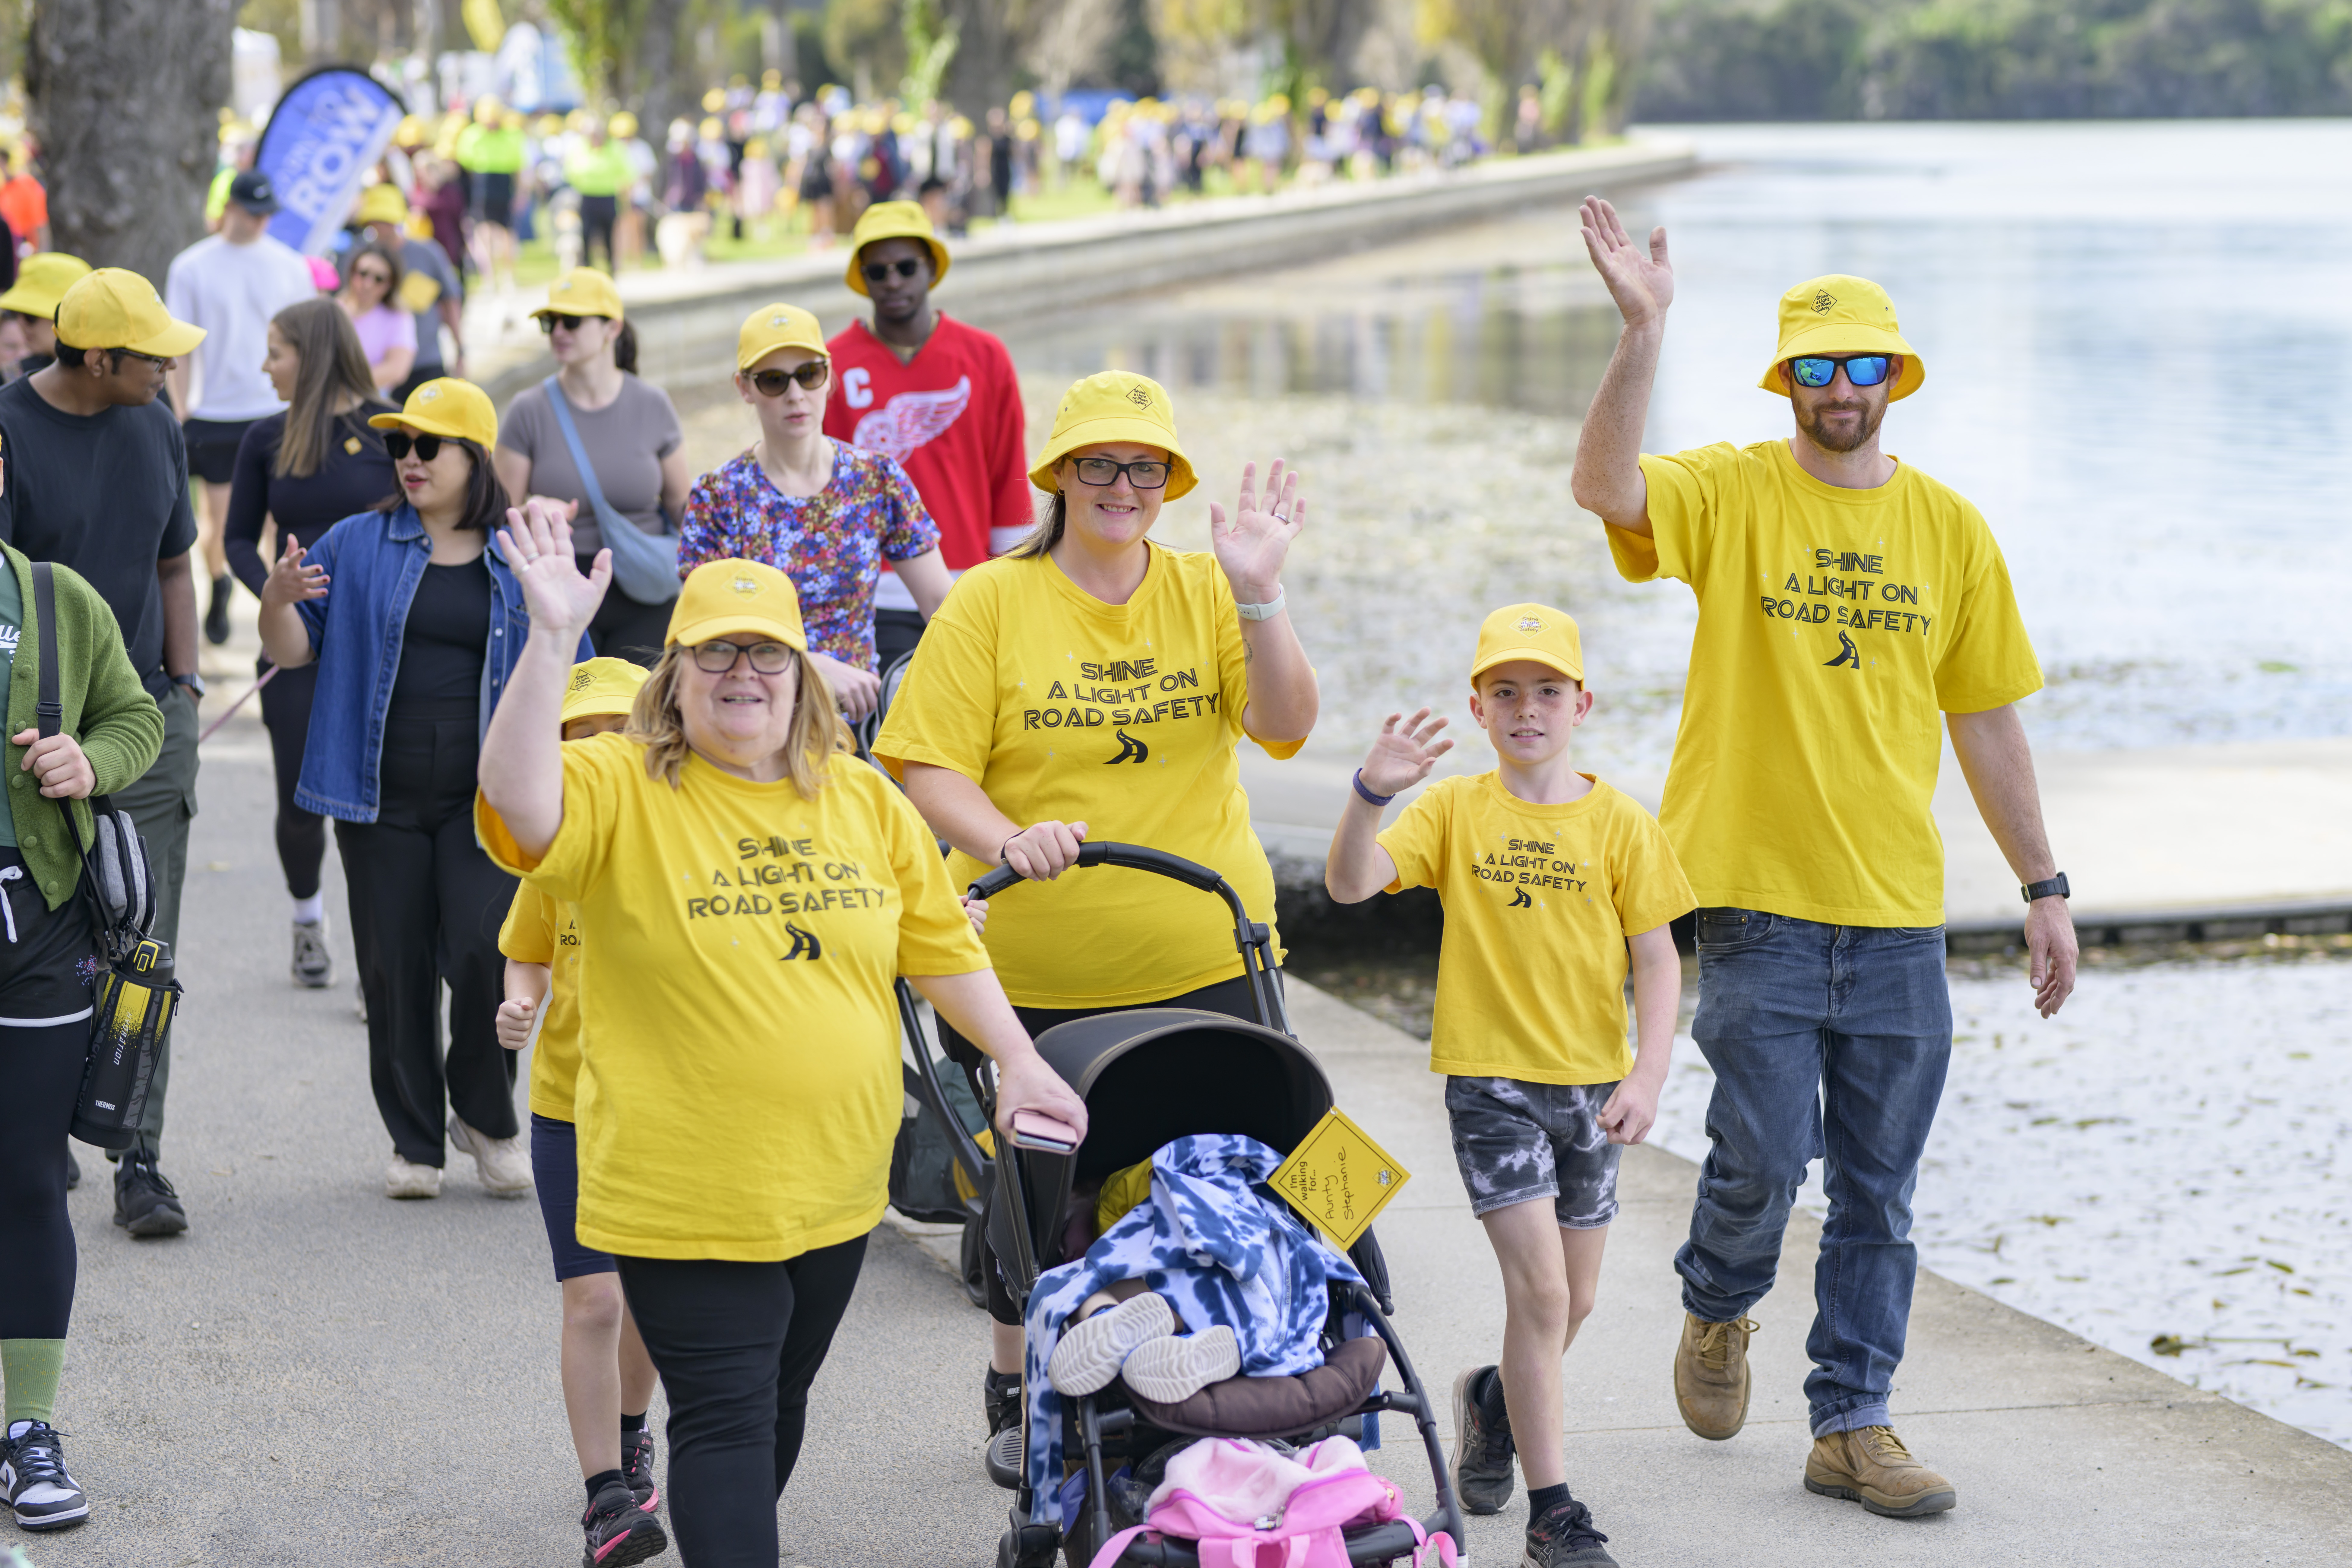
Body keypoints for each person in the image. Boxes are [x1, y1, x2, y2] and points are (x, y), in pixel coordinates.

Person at [1569, 197, 2079, 1519]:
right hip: (1749, 902)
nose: (1838, 386)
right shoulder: (1735, 488)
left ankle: (1849, 1419)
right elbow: (1603, 488)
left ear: (1891, 379)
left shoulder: (1950, 530)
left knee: (1878, 1188)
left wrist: (2041, 886)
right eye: (1814, 364)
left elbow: (1983, 716)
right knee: (1757, 1150)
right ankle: (1717, 1297)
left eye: (1861, 364)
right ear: (1785, 378)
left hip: (1896, 912)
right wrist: (1642, 330)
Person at [476, 537, 1087, 1568]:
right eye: (714, 655)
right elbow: (521, 802)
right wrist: (548, 638)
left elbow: (937, 946)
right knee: (722, 1411)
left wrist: (1019, 1058)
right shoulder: (618, 784)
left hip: (834, 1184)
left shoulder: (860, 798)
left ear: (803, 680)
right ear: (672, 681)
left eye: (767, 655)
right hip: (682, 1184)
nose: (742, 675)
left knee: (776, 1397)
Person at [872, 369, 1316, 1437]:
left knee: (1261, 1175)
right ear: (1059, 474)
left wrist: (1258, 594)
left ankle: (1231, 1353)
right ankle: (1016, 1373)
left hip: (1209, 946)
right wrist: (1001, 837)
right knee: (1038, 1194)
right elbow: (921, 763)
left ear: (1168, 479)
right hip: (1035, 972)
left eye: (1144, 465)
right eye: (1098, 462)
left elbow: (1287, 723)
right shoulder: (989, 599)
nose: (1122, 483)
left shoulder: (1207, 589)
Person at [1324, 603, 1694, 1568]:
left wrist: (1649, 1074)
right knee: (1535, 1292)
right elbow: (1352, 884)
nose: (1524, 708)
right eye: (1503, 692)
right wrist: (1369, 792)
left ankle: (1493, 1402)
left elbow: (1656, 962)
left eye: (1543, 691)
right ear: (1478, 708)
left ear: (1580, 701)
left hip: (1593, 1088)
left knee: (1571, 1303)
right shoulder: (1452, 808)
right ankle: (1553, 1514)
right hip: (1491, 1085)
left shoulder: (1620, 820)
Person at [254, 378, 588, 1200]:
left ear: (473, 457)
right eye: (398, 444)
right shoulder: (356, 541)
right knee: (394, 966)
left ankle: (486, 1116)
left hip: (487, 798)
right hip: (378, 795)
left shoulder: (522, 552)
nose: (408, 459)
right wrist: (276, 597)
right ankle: (415, 1139)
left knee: (486, 950)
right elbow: (293, 650)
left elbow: (566, 666)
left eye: (427, 445)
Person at [0, 268, 205, 1238]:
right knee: (41, 941)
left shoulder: (157, 424)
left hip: (144, 726)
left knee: (143, 940)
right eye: (154, 355)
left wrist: (188, 684)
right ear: (94, 358)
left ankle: (140, 1155)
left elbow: (175, 563)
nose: (170, 368)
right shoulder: (9, 432)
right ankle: (38, 1133)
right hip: (32, 750)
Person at [0, 533, 166, 1535]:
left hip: (41, 921)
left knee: (25, 1175)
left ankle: (28, 1429)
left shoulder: (57, 598)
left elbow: (135, 718)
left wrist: (89, 759)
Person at [492, 655, 667, 1568]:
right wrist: (521, 1001)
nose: (598, 751)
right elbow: (525, 952)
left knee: (643, 1300)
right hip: (567, 1103)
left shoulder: (684, 842)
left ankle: (633, 1427)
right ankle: (606, 1492)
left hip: (663, 1106)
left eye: (616, 731)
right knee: (592, 1295)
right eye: (578, 735)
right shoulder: (553, 850)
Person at [222, 298, 397, 990]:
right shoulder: (265, 437)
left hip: (377, 642)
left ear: (314, 353)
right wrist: (274, 589)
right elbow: (237, 534)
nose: (265, 367)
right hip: (293, 645)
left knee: (380, 805)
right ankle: (306, 921)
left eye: (276, 352)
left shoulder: (391, 428)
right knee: (300, 803)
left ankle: (376, 956)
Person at [678, 303, 950, 722]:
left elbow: (939, 602)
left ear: (829, 377)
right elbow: (706, 631)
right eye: (773, 380)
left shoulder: (875, 478)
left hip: (853, 720)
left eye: (808, 374)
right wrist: (816, 666)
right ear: (744, 388)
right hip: (754, 716)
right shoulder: (718, 496)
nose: (794, 394)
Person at [823, 200, 1029, 674]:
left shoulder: (984, 356)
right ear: (863, 278)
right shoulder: (829, 367)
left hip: (969, 586)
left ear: (931, 269)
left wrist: (1017, 580)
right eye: (877, 271)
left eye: (905, 267)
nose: (892, 280)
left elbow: (1008, 475)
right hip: (870, 592)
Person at [494, 269, 689, 666]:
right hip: (559, 589)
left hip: (645, 590)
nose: (558, 332)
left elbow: (682, 506)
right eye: (550, 323)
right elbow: (501, 515)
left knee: (638, 721)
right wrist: (535, 513)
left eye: (572, 321)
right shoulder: (528, 410)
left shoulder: (653, 405)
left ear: (611, 328)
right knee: (567, 722)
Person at [165, 169, 319, 648]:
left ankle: (276, 605)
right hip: (214, 411)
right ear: (229, 208)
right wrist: (183, 408)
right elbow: (180, 348)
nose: (258, 222)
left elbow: (310, 340)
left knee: (279, 516)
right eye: (251, 213)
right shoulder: (192, 266)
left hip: (276, 409)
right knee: (221, 518)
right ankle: (219, 581)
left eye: (265, 213)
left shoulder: (290, 265)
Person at [350, 184, 466, 398]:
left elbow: (450, 301)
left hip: (426, 361)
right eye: (374, 221)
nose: (379, 227)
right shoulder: (361, 260)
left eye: (384, 221)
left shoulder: (426, 253)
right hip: (382, 368)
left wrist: (460, 348)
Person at [337, 240, 416, 395]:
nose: (368, 284)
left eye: (379, 279)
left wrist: (343, 385)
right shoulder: (334, 310)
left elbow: (397, 370)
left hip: (370, 401)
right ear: (352, 273)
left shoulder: (398, 317)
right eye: (363, 273)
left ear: (390, 285)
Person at [0, 253, 91, 380]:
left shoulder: (102, 381)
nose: (21, 323)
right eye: (15, 314)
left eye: (30, 316)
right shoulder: (15, 375)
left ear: (64, 318)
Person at [565, 119, 634, 274]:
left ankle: (612, 271)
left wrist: (626, 196)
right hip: (587, 196)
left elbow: (627, 173)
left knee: (609, 236)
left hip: (608, 197)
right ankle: (587, 270)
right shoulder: (579, 149)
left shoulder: (615, 149)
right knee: (587, 235)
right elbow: (571, 171)